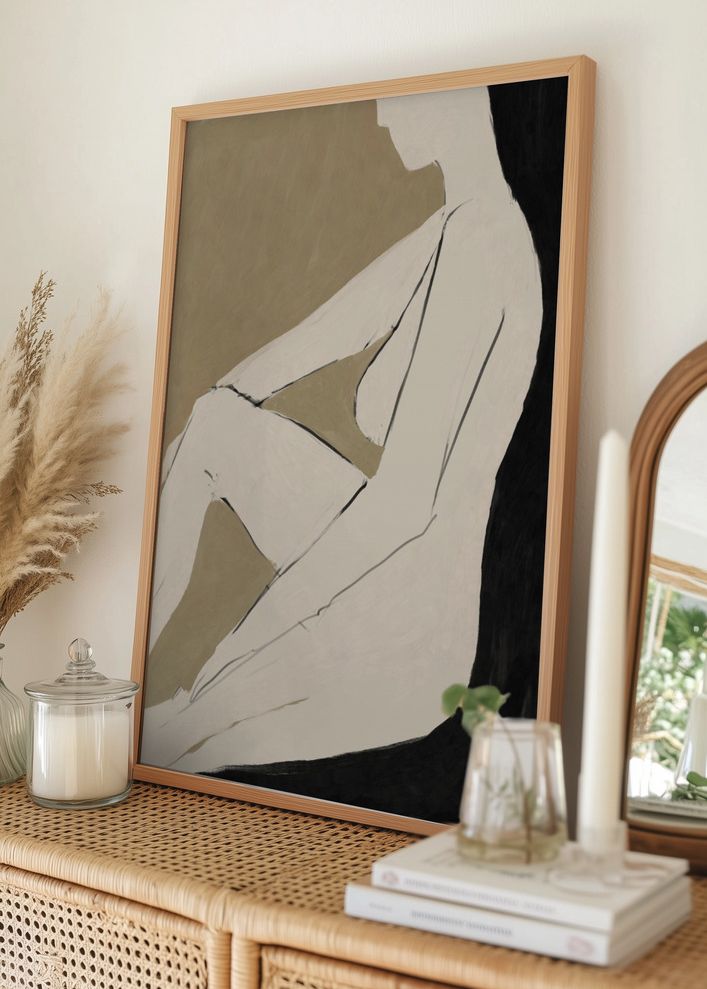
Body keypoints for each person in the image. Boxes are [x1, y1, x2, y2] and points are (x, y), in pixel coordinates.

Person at [142, 85, 542, 772]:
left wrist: (240, 645)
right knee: (213, 423)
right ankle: (129, 664)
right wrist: (205, 404)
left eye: (398, 101)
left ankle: (167, 696)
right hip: (374, 561)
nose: (381, 117)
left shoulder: (485, 249)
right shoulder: (450, 229)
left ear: (459, 105)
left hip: (402, 615)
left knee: (177, 735)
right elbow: (311, 342)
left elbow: (402, 508)